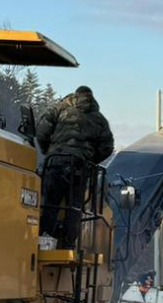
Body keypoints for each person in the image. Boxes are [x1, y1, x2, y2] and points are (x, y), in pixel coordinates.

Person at [36, 86, 115, 248]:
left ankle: (45, 240)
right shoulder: (99, 119)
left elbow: (42, 130)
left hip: (55, 162)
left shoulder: (59, 109)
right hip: (79, 167)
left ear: (74, 96)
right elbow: (107, 147)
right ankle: (69, 243)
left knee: (51, 203)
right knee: (74, 207)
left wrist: (46, 151)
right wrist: (91, 161)